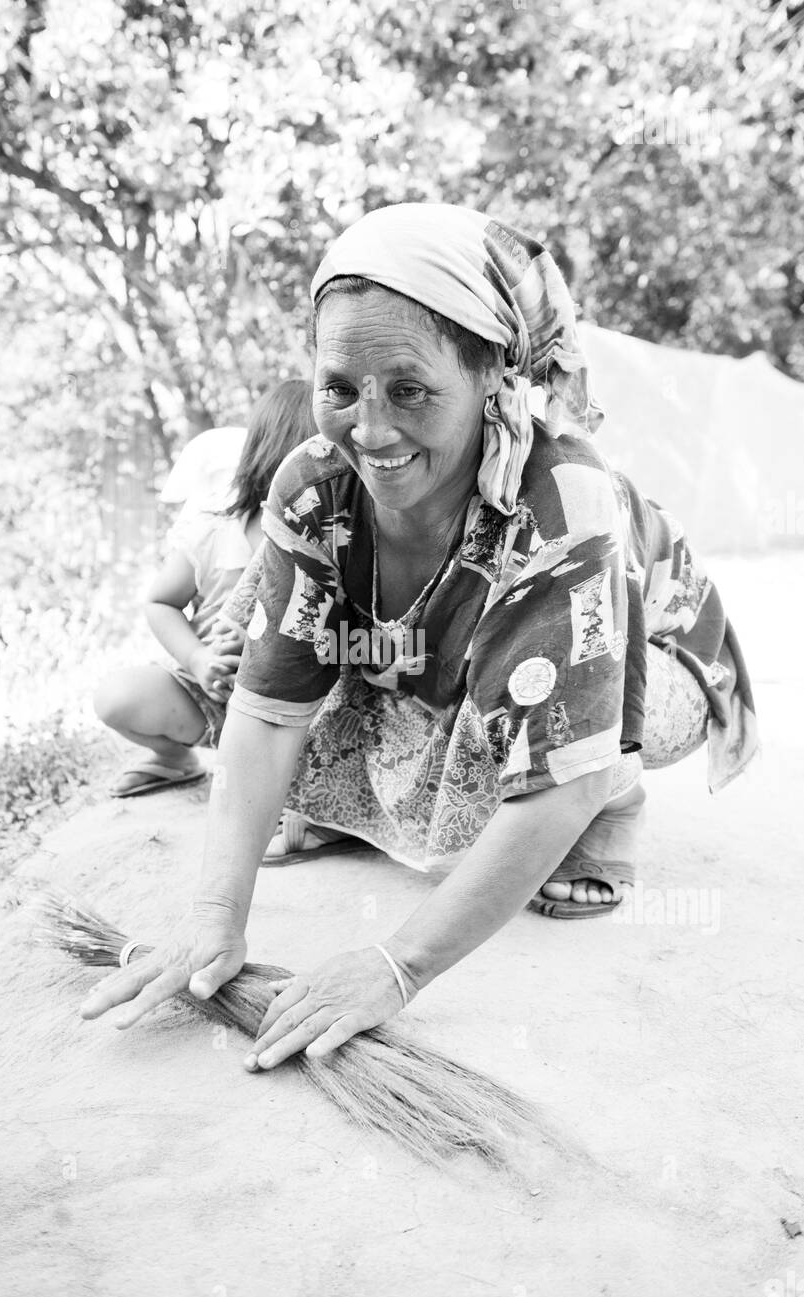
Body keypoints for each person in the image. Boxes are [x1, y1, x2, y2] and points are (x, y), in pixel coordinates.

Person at [82, 203, 758, 1070]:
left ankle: (614, 796)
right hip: (442, 672)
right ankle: (388, 804)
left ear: (489, 378)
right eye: (339, 390)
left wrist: (395, 968)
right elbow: (267, 709)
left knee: (557, 750)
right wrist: (215, 919)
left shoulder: (560, 498)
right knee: (326, 714)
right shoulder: (312, 488)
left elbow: (555, 762)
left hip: (637, 669)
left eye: (409, 390)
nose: (368, 430)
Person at [94, 380, 314, 795]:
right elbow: (161, 603)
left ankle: (294, 791)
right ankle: (175, 761)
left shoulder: (337, 537)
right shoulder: (214, 531)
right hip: (212, 694)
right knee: (117, 696)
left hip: (298, 707)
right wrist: (197, 660)